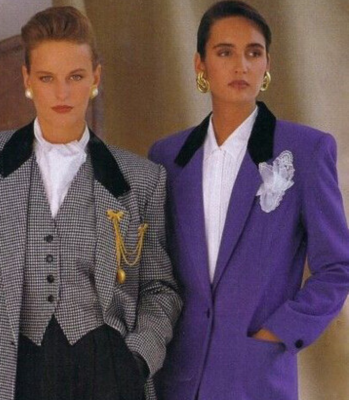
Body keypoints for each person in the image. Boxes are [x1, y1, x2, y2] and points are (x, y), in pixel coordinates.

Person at [0, 6, 181, 400]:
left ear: (95, 78)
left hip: (104, 376)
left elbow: (160, 289)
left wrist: (137, 359)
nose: (62, 93)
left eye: (75, 76)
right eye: (47, 78)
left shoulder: (141, 179)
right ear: (26, 79)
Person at [149, 1, 349, 400]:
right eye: (225, 52)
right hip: (178, 379)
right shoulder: (167, 158)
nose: (241, 66)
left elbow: (337, 267)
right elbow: (156, 270)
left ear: (267, 65)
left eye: (253, 53)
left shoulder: (306, 151)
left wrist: (279, 331)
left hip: (256, 379)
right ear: (201, 64)